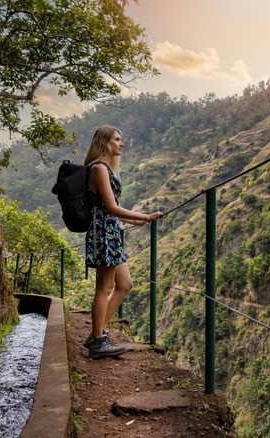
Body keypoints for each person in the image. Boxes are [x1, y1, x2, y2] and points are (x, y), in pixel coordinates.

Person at [82, 125, 163, 359]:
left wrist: (134, 222)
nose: (122, 143)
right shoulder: (98, 168)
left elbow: (111, 211)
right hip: (103, 233)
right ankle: (98, 341)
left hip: (111, 231)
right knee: (104, 288)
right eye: (117, 139)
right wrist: (145, 216)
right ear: (103, 142)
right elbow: (111, 207)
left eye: (121, 139)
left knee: (125, 284)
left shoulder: (106, 169)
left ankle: (97, 334)